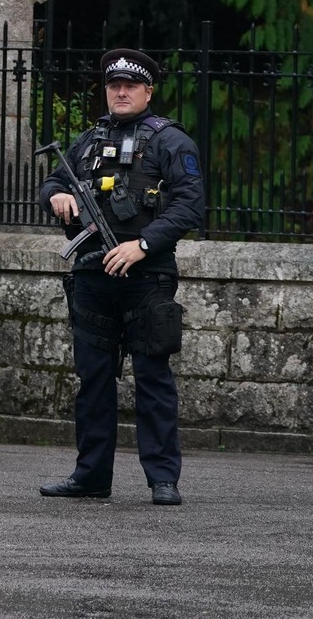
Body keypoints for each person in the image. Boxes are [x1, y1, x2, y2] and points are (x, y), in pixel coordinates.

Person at [37, 47, 206, 506]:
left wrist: (143, 244)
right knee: (93, 380)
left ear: (148, 91)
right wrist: (56, 197)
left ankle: (163, 479)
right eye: (114, 86)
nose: (121, 92)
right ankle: (91, 475)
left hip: (147, 277)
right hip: (93, 275)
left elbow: (190, 205)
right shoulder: (89, 140)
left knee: (152, 379)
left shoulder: (171, 142)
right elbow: (54, 181)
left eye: (130, 86)